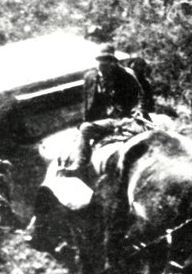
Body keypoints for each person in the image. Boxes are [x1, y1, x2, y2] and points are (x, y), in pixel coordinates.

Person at [61, 44, 152, 182]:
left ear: (113, 61)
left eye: (108, 60)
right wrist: (86, 120)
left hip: (123, 118)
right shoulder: (90, 77)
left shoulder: (125, 75)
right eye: (100, 59)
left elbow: (139, 96)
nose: (103, 63)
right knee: (84, 129)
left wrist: (138, 110)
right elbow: (87, 101)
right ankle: (80, 164)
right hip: (101, 120)